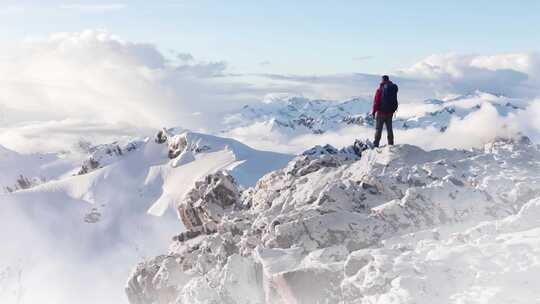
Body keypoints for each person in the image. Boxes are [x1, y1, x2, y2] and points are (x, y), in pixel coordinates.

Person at [371, 75, 398, 147]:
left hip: (381, 113)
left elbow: (376, 102)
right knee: (389, 129)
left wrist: (374, 112)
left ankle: (376, 145)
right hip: (390, 113)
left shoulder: (380, 89)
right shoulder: (392, 88)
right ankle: (391, 144)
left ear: (382, 80)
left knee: (378, 129)